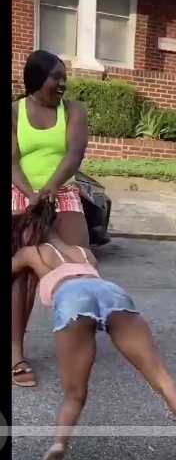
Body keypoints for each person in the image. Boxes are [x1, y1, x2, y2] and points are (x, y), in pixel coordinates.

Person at [12, 200, 176, 460]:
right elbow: (89, 286)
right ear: (55, 224)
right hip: (110, 292)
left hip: (72, 300)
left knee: (75, 394)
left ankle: (58, 445)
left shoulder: (30, 253)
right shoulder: (84, 252)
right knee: (164, 380)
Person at [12, 50, 90, 387]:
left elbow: (74, 152)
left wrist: (52, 187)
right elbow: (11, 161)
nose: (62, 84)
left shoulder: (73, 111)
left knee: (80, 267)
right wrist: (30, 193)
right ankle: (15, 353)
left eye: (64, 77)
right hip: (21, 194)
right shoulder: (14, 112)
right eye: (55, 77)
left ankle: (77, 347)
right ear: (35, 80)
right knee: (22, 275)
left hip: (63, 191)